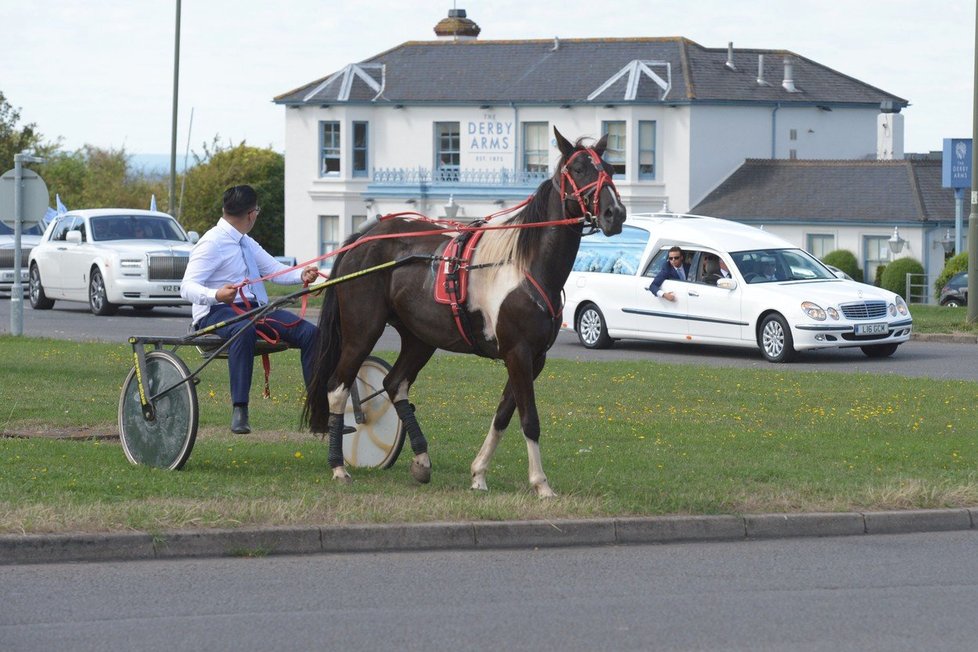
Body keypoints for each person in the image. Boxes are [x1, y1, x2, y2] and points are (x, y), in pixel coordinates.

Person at [181, 185, 320, 434]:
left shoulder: (246, 242)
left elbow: (275, 270)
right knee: (243, 329)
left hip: (254, 311)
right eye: (257, 211)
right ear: (251, 214)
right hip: (216, 312)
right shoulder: (211, 243)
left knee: (311, 334)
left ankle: (318, 409)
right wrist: (216, 295)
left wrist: (301, 274)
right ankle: (240, 409)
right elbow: (186, 287)